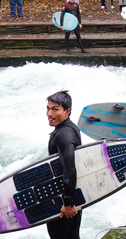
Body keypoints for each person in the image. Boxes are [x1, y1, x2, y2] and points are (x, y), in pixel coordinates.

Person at [46, 90, 82, 239]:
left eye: (55, 109)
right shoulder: (68, 128)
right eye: (48, 108)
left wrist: (68, 202)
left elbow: (69, 167)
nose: (49, 113)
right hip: (72, 193)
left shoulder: (64, 134)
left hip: (64, 198)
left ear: (67, 112)